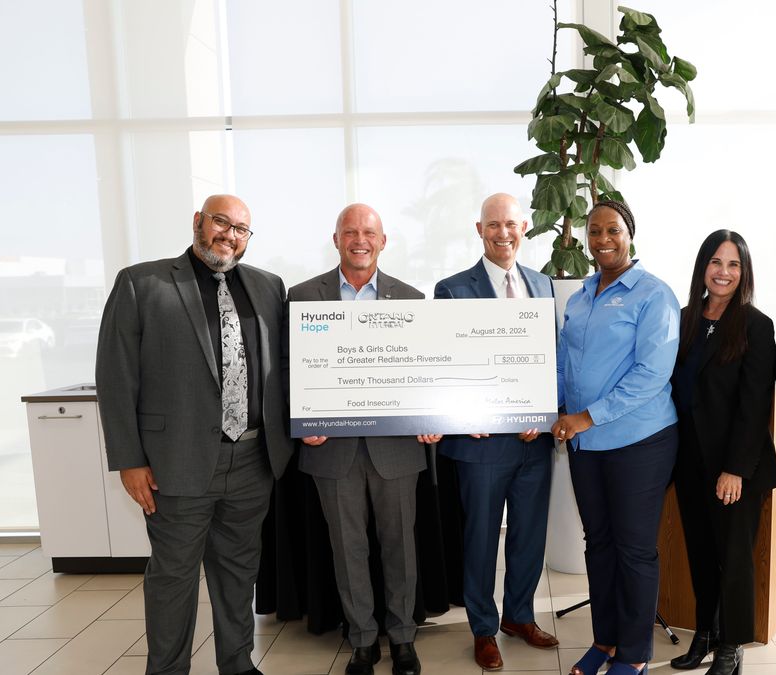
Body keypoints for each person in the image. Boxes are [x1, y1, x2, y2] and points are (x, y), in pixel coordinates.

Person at [97, 194, 291, 675]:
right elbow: (115, 377)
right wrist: (129, 460)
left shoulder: (268, 287)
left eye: (241, 229)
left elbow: (286, 369)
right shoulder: (141, 284)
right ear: (198, 222)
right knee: (173, 577)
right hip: (175, 463)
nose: (230, 235)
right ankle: (167, 670)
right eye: (221, 222)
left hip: (252, 460)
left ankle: (238, 664)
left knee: (238, 573)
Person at [291, 203, 426, 675]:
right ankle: (363, 640)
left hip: (397, 448)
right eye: (350, 232)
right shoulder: (302, 298)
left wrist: (430, 415)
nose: (360, 240)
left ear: (383, 241)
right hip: (331, 450)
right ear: (336, 240)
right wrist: (302, 422)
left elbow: (423, 370)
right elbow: (287, 371)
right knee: (347, 550)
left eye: (369, 232)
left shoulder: (411, 299)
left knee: (400, 548)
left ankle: (403, 639)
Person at [550, 200, 680, 675]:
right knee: (599, 543)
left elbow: (652, 373)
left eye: (613, 230)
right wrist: (555, 409)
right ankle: (605, 641)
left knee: (634, 549)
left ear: (630, 234)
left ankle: (634, 654)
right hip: (586, 447)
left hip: (639, 443)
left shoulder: (654, 294)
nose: (603, 239)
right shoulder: (581, 296)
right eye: (594, 231)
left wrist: (586, 416)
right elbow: (563, 363)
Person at [432, 193, 558, 671]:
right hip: (480, 443)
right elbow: (444, 362)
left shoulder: (543, 284)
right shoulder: (452, 290)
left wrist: (543, 414)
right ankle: (483, 628)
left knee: (529, 536)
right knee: (481, 541)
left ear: (523, 228)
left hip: (533, 441)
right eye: (493, 225)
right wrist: (467, 416)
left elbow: (550, 358)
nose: (502, 233)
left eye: (510, 224)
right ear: (479, 229)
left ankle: (519, 617)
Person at [668, 230, 776, 675]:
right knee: (700, 553)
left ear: (744, 272)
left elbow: (755, 405)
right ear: (703, 267)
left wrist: (735, 469)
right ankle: (706, 634)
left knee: (733, 559)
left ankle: (731, 647)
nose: (724, 272)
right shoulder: (684, 319)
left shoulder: (756, 325)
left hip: (735, 466)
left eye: (734, 264)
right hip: (689, 461)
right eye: (716, 262)